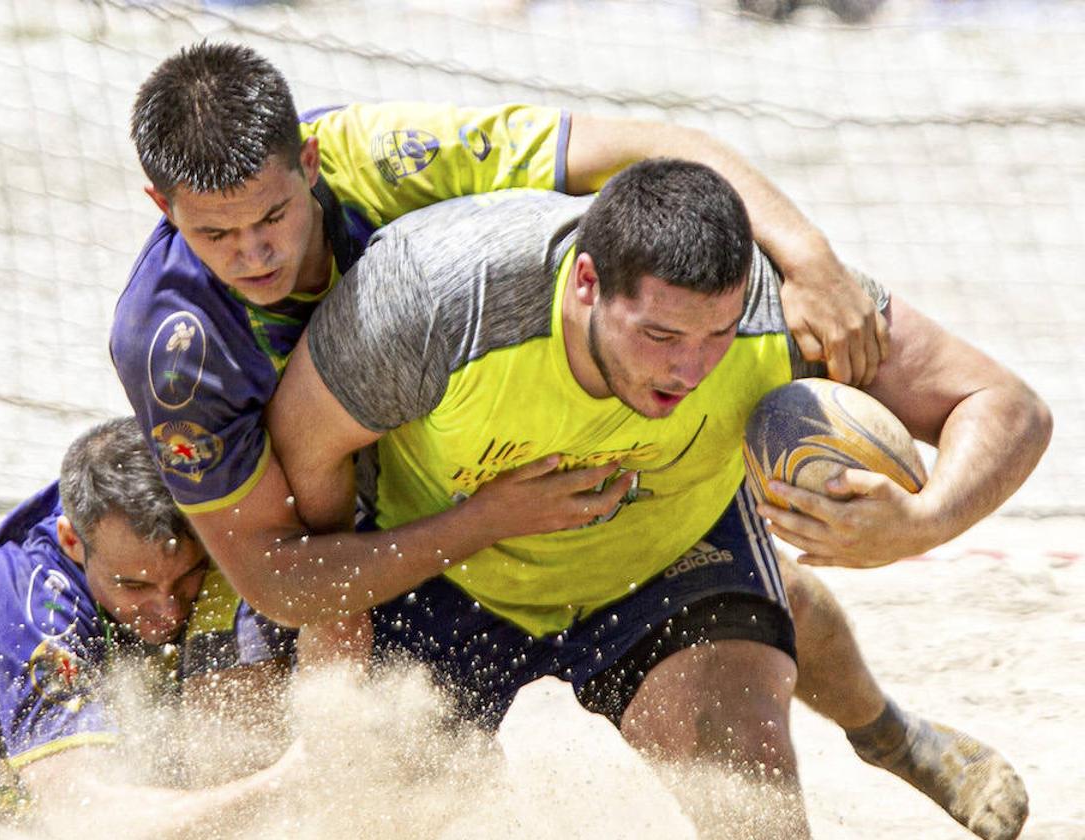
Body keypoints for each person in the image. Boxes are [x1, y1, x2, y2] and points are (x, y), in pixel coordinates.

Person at [108, 41, 1021, 838]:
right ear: (161, 206)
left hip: (630, 516)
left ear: (308, 163)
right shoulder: (183, 353)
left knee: (747, 718)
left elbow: (666, 154)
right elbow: (292, 557)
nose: (254, 254)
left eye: (272, 217)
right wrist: (345, 706)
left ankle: (889, 732)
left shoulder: (393, 162)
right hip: (399, 515)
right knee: (311, 751)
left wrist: (813, 263)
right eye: (215, 233)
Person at [267, 163, 1050, 838]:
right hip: (447, 565)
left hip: (664, 562)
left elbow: (1007, 404)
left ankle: (885, 734)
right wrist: (339, 665)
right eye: (662, 336)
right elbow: (304, 454)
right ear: (585, 283)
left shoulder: (784, 309)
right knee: (384, 802)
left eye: (718, 334)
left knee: (755, 812)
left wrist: (923, 521)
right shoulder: (436, 298)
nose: (692, 368)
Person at [0, 417, 299, 839]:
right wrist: (281, 782)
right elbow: (85, 815)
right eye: (134, 584)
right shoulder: (35, 615)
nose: (168, 609)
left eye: (188, 575)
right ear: (71, 542)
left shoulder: (136, 512)